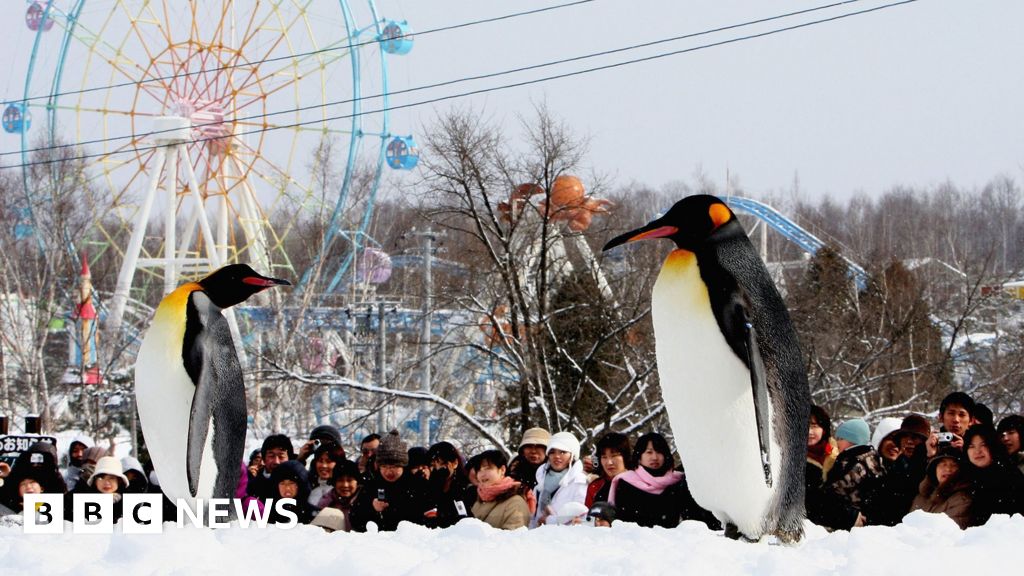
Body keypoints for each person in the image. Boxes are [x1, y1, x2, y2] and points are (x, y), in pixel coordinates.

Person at [609, 432, 717, 529]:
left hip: (671, 544)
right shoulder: (626, 482)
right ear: (639, 456)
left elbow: (694, 517)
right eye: (649, 452)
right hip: (637, 544)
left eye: (659, 452)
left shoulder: (678, 481)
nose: (655, 457)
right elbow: (623, 522)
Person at [806, 418, 887, 530]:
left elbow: (834, 490)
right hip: (858, 517)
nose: (836, 442)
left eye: (840, 438)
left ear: (853, 440)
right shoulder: (871, 458)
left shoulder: (854, 463)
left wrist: (818, 495)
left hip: (853, 520)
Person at [351, 431, 430, 532]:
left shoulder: (417, 485)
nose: (389, 472)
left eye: (394, 467)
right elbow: (355, 519)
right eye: (384, 467)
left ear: (403, 465)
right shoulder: (373, 485)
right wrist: (373, 509)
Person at [962, 424, 1024, 525]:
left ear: (993, 446)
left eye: (983, 445)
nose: (977, 451)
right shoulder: (965, 475)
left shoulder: (1008, 477)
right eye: (971, 446)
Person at [529, 431, 588, 528]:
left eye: (563, 452)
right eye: (552, 452)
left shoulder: (580, 482)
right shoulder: (541, 480)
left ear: (572, 456)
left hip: (564, 539)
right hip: (538, 538)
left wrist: (550, 521)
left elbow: (581, 516)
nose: (557, 456)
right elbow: (534, 516)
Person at [910, 447, 973, 529]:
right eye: (943, 464)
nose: (948, 469)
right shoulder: (921, 497)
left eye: (954, 465)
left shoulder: (962, 499)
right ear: (934, 469)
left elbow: (946, 532)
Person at [469, 449, 532, 530]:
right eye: (479, 470)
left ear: (502, 470)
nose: (482, 474)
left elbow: (514, 538)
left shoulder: (515, 502)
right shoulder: (481, 499)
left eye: (487, 468)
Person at [425, 441, 475, 528]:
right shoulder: (429, 488)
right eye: (433, 465)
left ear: (455, 463)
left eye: (443, 463)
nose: (437, 468)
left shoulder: (467, 489)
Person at [586, 432, 631, 507]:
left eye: (614, 456)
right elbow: (587, 515)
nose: (609, 462)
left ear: (625, 457)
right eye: (604, 457)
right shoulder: (596, 486)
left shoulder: (639, 483)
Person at [318, 460, 362, 532]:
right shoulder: (327, 503)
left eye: (349, 480)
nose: (345, 485)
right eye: (340, 480)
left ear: (357, 482)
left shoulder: (366, 502)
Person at [248, 434, 294, 501]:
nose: (276, 462)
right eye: (271, 456)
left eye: (281, 457)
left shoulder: (297, 483)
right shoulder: (253, 484)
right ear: (264, 459)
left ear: (289, 458)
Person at [268, 460, 313, 525]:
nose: (287, 488)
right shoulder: (269, 512)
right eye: (282, 483)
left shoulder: (311, 513)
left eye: (292, 483)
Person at [87, 456, 129, 523]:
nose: (106, 482)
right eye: (101, 478)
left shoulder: (128, 505)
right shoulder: (85, 503)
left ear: (119, 481)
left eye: (111, 478)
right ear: (95, 482)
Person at [806, 405, 839, 487]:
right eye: (805, 427)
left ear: (824, 430)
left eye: (814, 426)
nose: (809, 432)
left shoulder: (836, 454)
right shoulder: (791, 458)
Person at [307, 444, 343, 511]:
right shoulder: (312, 490)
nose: (324, 466)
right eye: (320, 461)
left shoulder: (343, 491)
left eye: (329, 461)